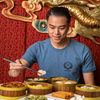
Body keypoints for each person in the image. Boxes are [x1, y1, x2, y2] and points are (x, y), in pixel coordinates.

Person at [8, 7, 96, 85]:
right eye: (52, 27)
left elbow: (90, 85)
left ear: (69, 27)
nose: (56, 32)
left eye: (61, 28)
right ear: (47, 25)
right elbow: (13, 73)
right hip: (45, 94)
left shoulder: (83, 50)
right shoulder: (38, 47)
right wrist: (15, 69)